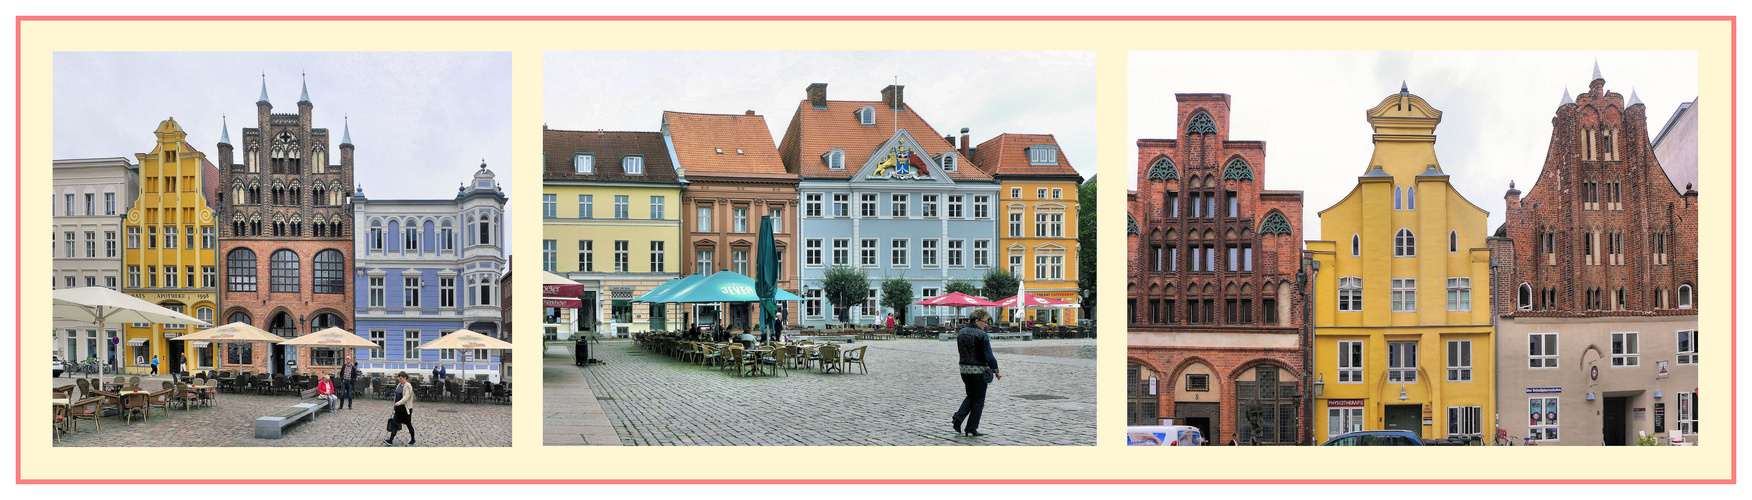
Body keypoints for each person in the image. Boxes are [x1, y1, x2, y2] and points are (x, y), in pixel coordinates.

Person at [952, 309, 1001, 437]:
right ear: (977, 321)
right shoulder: (981, 335)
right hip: (979, 370)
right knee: (979, 400)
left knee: (970, 396)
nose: (986, 325)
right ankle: (971, 427)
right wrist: (996, 370)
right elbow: (988, 355)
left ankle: (958, 417)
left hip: (964, 369)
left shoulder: (961, 333)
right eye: (985, 322)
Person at [386, 372, 416, 446]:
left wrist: (399, 403)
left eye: (401, 378)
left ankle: (413, 439)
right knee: (395, 423)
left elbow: (406, 397)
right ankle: (390, 440)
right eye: (399, 378)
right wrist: (395, 405)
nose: (399, 379)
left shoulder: (408, 386)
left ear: (405, 378)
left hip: (405, 409)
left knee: (409, 425)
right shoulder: (399, 385)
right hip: (398, 409)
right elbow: (396, 395)